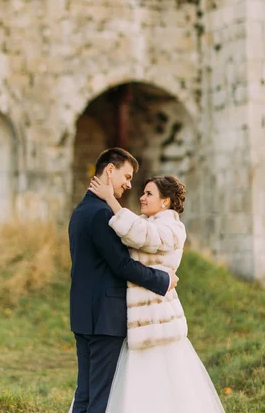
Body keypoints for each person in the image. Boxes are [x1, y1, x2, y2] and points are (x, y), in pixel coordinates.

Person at [88, 173, 226, 413]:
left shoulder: (172, 228)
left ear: (165, 202)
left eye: (149, 194)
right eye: (143, 192)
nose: (142, 197)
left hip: (158, 318)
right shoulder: (147, 223)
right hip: (140, 319)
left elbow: (141, 235)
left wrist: (111, 200)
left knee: (164, 387)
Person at [68, 148, 179, 413]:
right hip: (105, 318)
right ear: (110, 171)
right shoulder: (102, 214)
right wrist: (163, 279)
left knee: (84, 393)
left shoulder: (80, 211)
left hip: (82, 313)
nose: (129, 184)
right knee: (100, 397)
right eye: (126, 176)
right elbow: (122, 265)